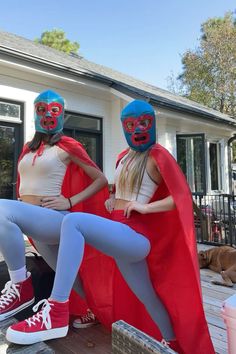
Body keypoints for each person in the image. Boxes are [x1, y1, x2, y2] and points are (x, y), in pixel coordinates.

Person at [6, 100, 214, 354]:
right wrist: (113, 199)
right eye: (130, 124)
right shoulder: (123, 157)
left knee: (73, 221)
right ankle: (171, 343)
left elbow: (181, 196)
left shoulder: (157, 154)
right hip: (120, 229)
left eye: (143, 123)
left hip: (136, 235)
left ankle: (57, 307)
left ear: (152, 123)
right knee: (147, 296)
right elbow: (122, 191)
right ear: (123, 126)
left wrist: (146, 207)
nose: (137, 128)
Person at [0, 89, 108, 327]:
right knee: (64, 272)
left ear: (61, 114)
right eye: (41, 110)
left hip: (54, 217)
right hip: (34, 221)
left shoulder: (69, 145)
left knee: (0, 209)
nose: (48, 115)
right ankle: (93, 310)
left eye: (54, 110)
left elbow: (100, 179)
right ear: (35, 114)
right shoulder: (28, 147)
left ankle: (21, 287)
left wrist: (69, 201)